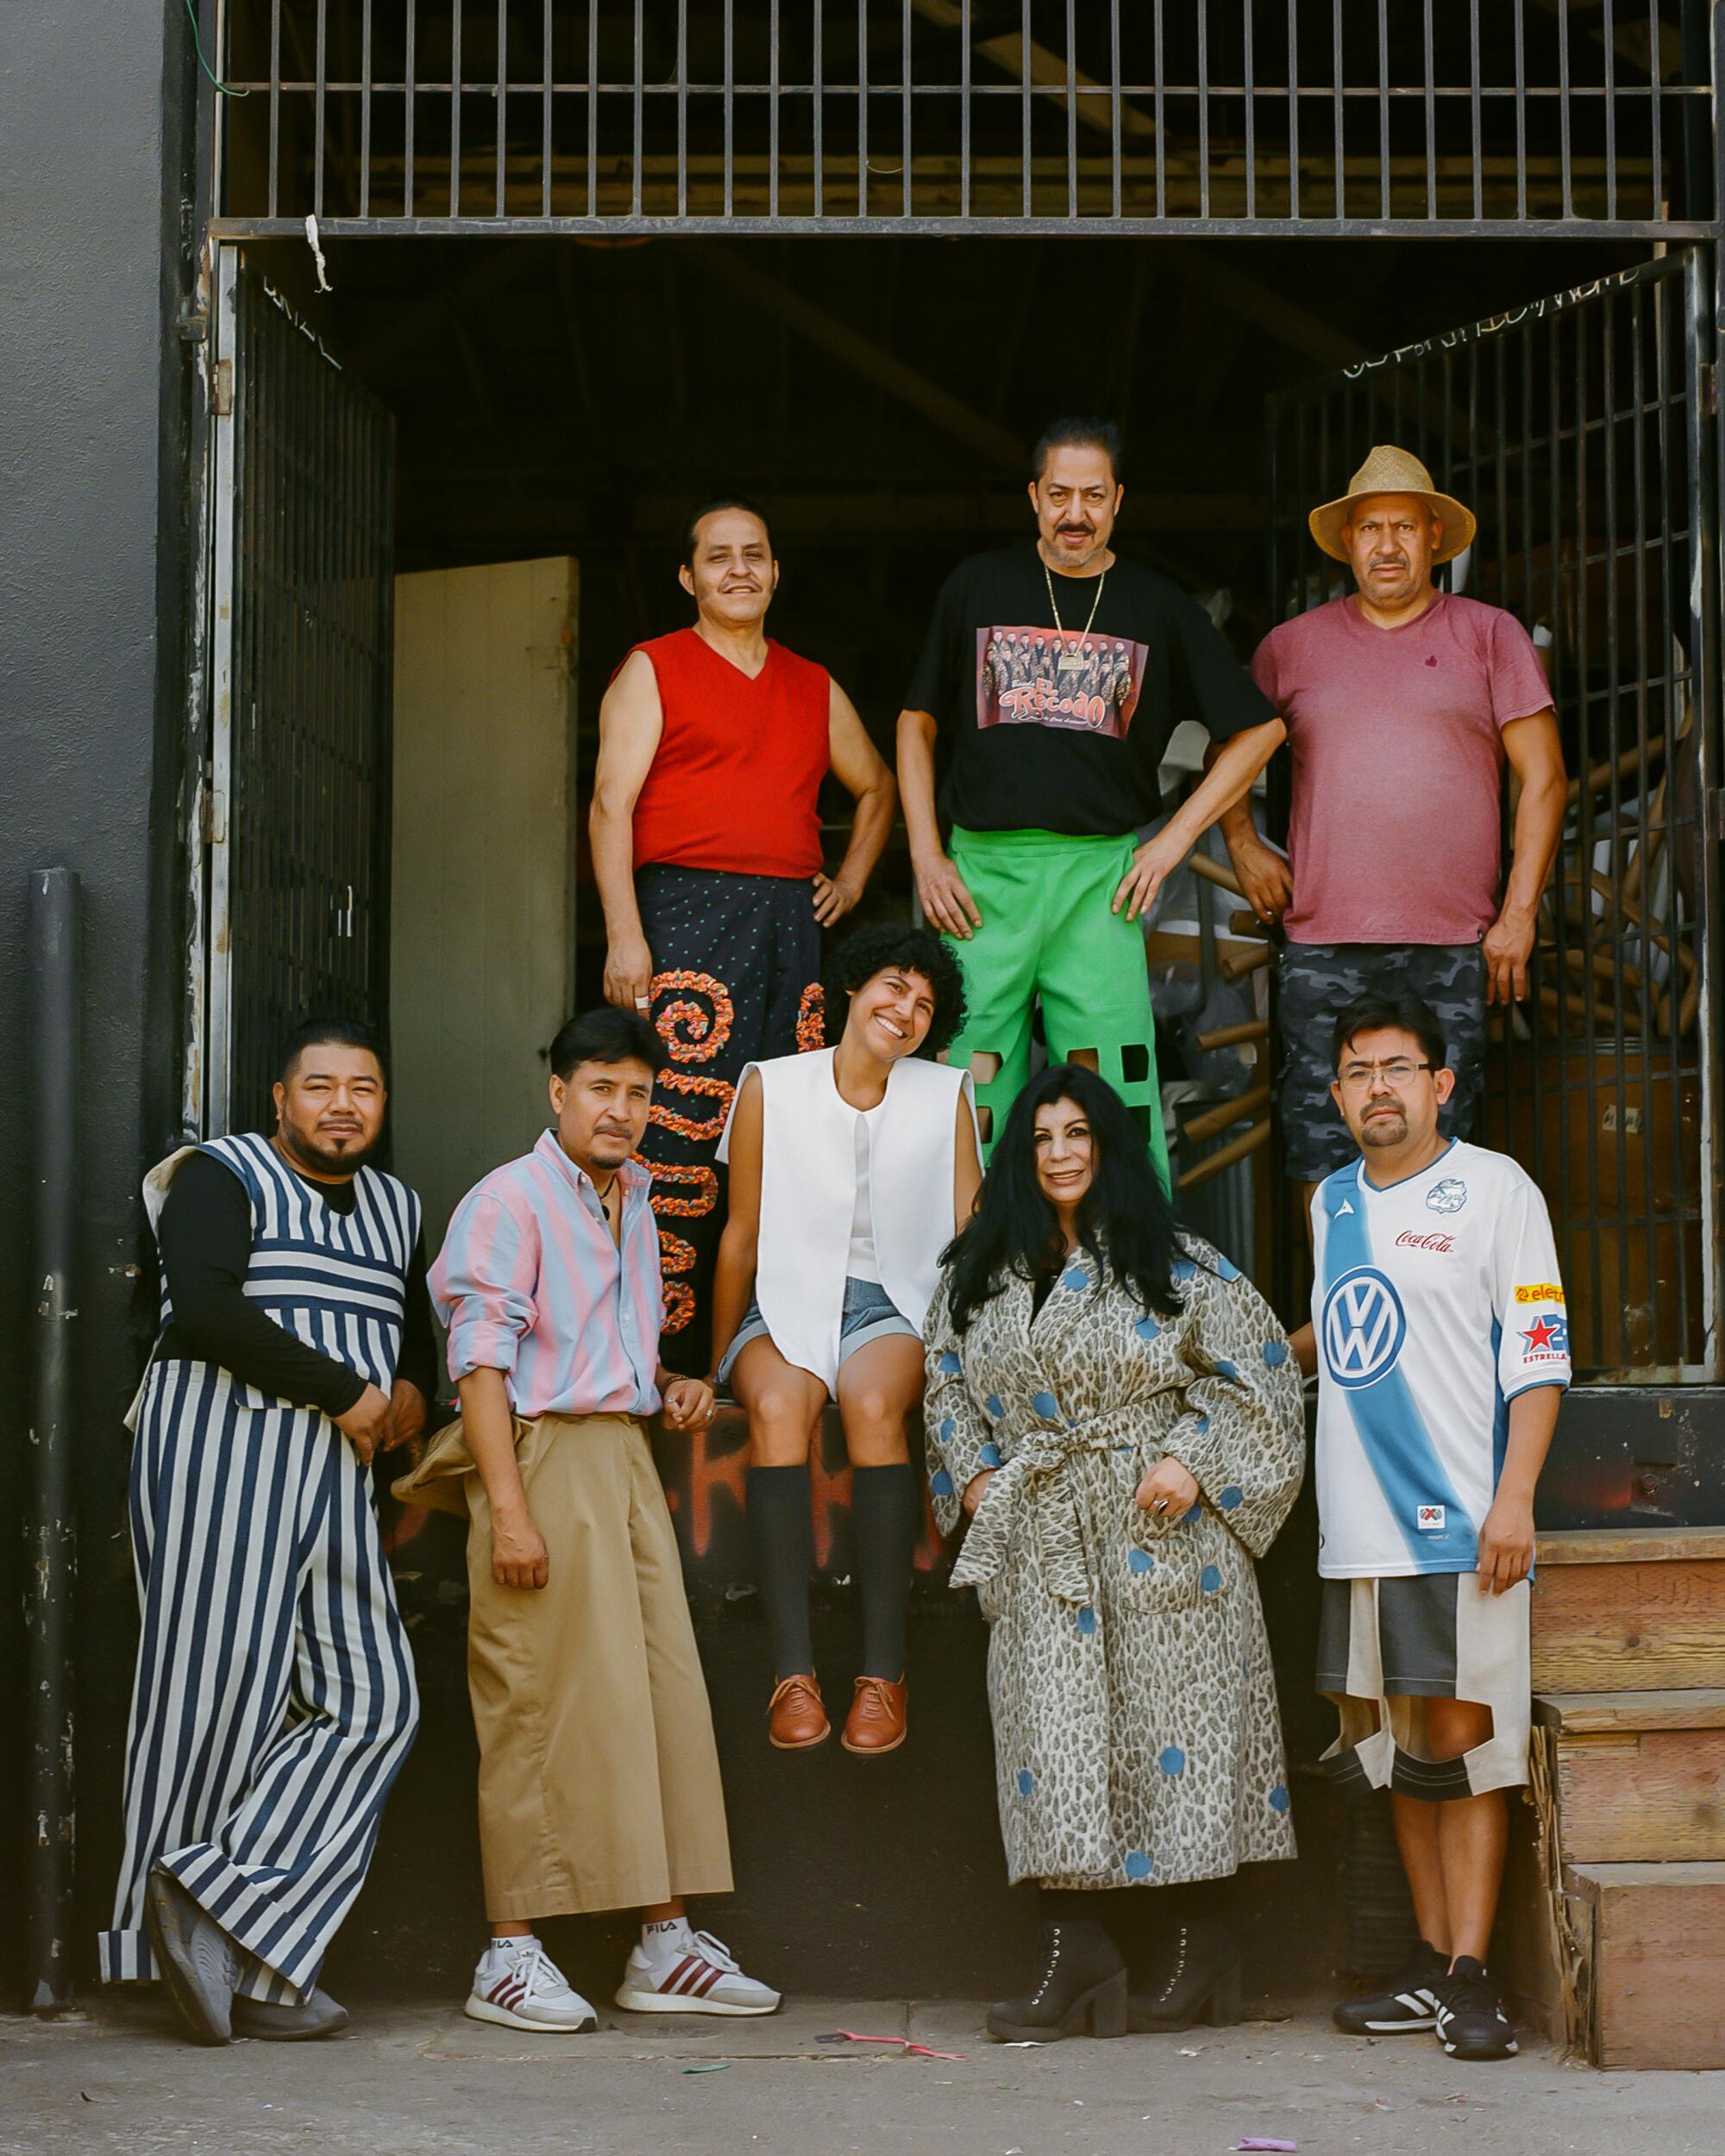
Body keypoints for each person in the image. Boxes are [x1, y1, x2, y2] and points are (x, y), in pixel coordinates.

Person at [394, 1007, 780, 2032]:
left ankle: (664, 1942)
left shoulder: (637, 1194)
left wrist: (669, 1383)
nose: (621, 1109)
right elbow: (479, 1364)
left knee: (657, 1697)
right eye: (599, 1087)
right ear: (556, 1092)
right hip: (538, 1455)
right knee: (531, 1695)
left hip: (618, 1451)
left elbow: (608, 1341)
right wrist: (511, 1514)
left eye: (638, 1092)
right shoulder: (506, 1201)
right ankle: (508, 1951)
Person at [925, 1064, 1305, 2043]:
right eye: (1041, 1136)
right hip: (1043, 1531)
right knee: (1047, 1738)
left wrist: (1192, 1458)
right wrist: (973, 1476)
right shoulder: (976, 1269)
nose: (1059, 1152)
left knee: (1170, 1733)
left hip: (1161, 1533)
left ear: (1108, 1147)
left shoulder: (1174, 1260)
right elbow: (942, 1380)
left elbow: (1260, 1374)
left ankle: (1197, 1942)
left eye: (1077, 1133)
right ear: (1019, 1154)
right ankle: (1074, 1945)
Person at [104, 1019, 433, 2046]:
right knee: (209, 1697)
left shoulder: (397, 1204)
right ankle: (186, 1962)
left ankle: (226, 1908)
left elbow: (409, 1335)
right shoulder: (219, 1170)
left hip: (338, 1471)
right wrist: (346, 1393)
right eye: (321, 1086)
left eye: (364, 1088)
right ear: (279, 1100)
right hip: (219, 1448)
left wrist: (408, 1396)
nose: (343, 1104)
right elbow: (201, 1309)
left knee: (375, 1701)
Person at [896, 416, 1285, 1171]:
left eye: (1094, 497)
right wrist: (925, 855)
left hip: (1104, 879)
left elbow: (1260, 732)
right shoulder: (979, 584)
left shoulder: (1158, 606)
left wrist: (1172, 842)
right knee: (962, 1079)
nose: (1076, 514)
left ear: (1119, 502)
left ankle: (1126, 1269)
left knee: (1116, 1082)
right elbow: (916, 724)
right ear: (1035, 497)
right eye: (1061, 495)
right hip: (982, 875)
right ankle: (957, 1270)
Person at [1295, 993, 1569, 2062]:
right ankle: (1425, 1957)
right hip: (1355, 1529)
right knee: (1396, 1751)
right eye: (1356, 1070)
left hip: (1458, 1522)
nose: (1376, 1088)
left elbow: (1537, 1352)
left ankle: (1471, 1971)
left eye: (1397, 1068)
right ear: (1333, 1092)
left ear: (1438, 1083)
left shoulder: (1496, 1188)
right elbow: (1338, 1332)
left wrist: (1514, 1498)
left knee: (1467, 1749)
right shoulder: (1330, 1204)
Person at [591, 498, 897, 1367]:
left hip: (787, 923)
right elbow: (610, 804)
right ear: (688, 577)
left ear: (774, 572)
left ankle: (770, 1348)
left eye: (753, 555)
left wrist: (849, 879)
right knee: (677, 1130)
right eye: (717, 556)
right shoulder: (654, 667)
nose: (738, 569)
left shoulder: (810, 681)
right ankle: (655, 1357)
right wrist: (624, 934)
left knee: (789, 1130)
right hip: (680, 912)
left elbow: (873, 786)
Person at [1223, 444, 1565, 1207]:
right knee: (1321, 1136)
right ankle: (1344, 1316)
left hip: (1451, 940)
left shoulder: (1489, 634)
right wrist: (1244, 845)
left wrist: (1518, 916)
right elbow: (1228, 753)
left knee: (1443, 1145)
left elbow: (1544, 778)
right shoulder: (1291, 646)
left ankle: (1429, 1315)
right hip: (1322, 939)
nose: (1386, 545)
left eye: (1404, 528)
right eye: (1370, 528)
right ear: (1346, 541)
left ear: (1434, 538)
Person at [711, 925, 982, 1756]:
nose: (905, 1011)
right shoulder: (769, 1085)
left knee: (869, 1402)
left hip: (894, 1306)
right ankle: (793, 1675)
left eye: (925, 1005)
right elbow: (742, 1233)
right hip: (784, 1301)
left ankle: (882, 1673)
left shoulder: (947, 1093)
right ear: (856, 988)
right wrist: (718, 1361)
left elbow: (970, 1236)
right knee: (781, 1408)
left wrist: (976, 1357)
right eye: (893, 988)